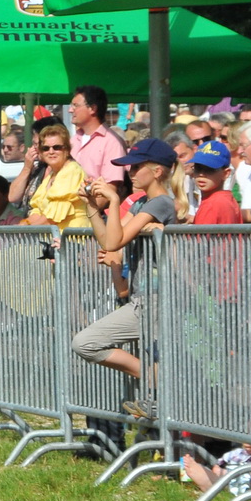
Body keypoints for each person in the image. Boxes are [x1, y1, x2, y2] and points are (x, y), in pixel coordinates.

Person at [73, 137, 180, 390]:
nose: (130, 172)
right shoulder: (143, 202)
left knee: (85, 342)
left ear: (157, 171)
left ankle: (160, 381)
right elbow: (108, 240)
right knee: (86, 343)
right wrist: (92, 206)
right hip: (141, 299)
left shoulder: (161, 203)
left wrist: (113, 200)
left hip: (156, 300)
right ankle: (158, 381)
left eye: (136, 167)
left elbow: (113, 242)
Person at [22, 122, 89, 230]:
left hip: (72, 237)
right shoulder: (51, 176)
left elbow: (51, 218)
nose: (51, 152)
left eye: (57, 147)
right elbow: (38, 211)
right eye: (45, 148)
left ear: (66, 149)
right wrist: (23, 224)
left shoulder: (72, 170)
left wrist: (26, 231)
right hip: (53, 236)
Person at [68, 85, 126, 185]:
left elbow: (110, 188)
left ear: (92, 108)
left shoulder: (112, 143)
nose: (70, 110)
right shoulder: (74, 140)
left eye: (75, 105)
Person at [189, 141, 243, 224]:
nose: (201, 174)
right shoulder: (229, 199)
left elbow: (202, 233)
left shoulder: (211, 204)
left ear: (226, 173)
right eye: (198, 168)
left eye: (209, 169)